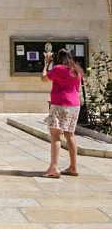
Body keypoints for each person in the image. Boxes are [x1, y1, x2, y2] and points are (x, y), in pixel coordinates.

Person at [41, 48, 83, 178]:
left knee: (55, 135)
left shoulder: (58, 69)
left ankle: (53, 167)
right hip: (74, 105)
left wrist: (46, 64)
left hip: (60, 105)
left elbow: (44, 79)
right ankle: (73, 167)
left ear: (58, 58)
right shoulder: (77, 70)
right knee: (70, 135)